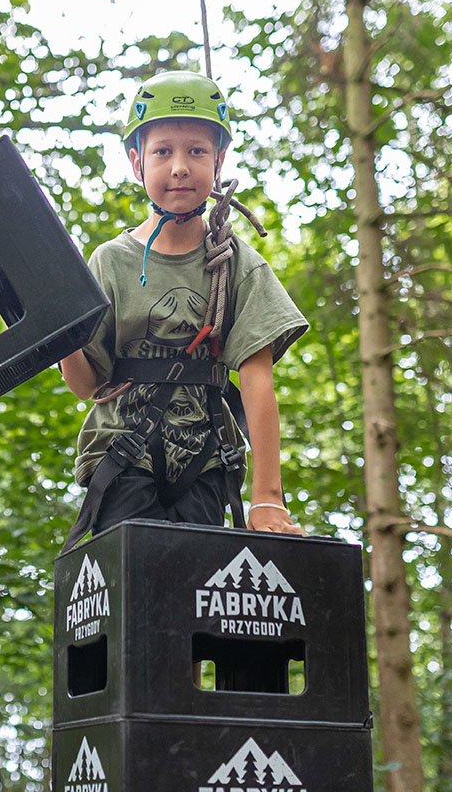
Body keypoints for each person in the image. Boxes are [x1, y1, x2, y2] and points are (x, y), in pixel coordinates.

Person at [60, 70, 309, 551]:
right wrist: (61, 333)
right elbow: (88, 385)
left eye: (197, 151)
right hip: (122, 454)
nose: (180, 166)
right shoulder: (110, 262)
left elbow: (257, 379)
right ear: (137, 164)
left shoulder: (237, 264)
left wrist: (267, 498)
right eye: (163, 151)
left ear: (219, 161)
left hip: (206, 458)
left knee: (195, 598)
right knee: (137, 592)